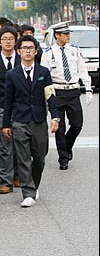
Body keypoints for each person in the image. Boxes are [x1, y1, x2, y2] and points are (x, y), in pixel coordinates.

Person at [2, 35, 59, 207]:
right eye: (24, 48)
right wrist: (6, 124)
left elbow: (50, 96)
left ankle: (33, 185)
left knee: (40, 158)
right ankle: (28, 192)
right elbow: (8, 100)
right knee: (23, 158)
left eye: (30, 48)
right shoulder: (11, 74)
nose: (27, 51)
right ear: (19, 52)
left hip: (39, 121)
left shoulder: (43, 72)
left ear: (36, 51)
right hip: (20, 121)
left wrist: (55, 117)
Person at [40, 22, 94, 170]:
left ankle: (67, 146)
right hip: (57, 91)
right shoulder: (48, 53)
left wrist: (88, 88)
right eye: (65, 34)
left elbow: (82, 70)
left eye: (69, 33)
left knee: (77, 124)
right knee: (60, 127)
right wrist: (45, 96)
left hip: (73, 91)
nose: (68, 36)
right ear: (57, 35)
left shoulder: (74, 51)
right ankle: (63, 158)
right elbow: (44, 76)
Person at [0, 26, 21, 193]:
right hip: (0, 108)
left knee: (19, 143)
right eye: (4, 39)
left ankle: (18, 175)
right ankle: (5, 180)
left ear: (16, 41)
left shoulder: (23, 60)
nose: (8, 41)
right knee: (3, 145)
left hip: (20, 109)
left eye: (11, 38)